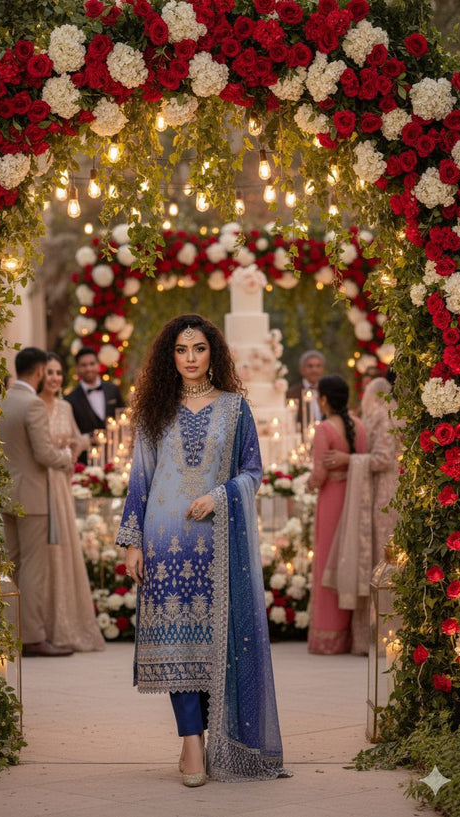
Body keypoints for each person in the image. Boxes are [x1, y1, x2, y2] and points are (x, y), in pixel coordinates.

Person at [117, 314, 290, 787]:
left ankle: (208, 737)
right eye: (181, 350)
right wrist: (132, 542)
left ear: (213, 352)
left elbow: (253, 472)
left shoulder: (235, 408)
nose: (190, 358)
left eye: (198, 348)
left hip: (217, 543)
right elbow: (140, 479)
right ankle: (192, 740)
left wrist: (220, 496)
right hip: (164, 541)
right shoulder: (154, 409)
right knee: (176, 642)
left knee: (217, 646)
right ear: (169, 357)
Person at [0, 347, 73, 657]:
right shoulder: (33, 404)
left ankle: (8, 633)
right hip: (33, 498)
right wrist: (65, 457)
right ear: (40, 371)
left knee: (10, 564)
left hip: (4, 495)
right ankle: (31, 637)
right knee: (33, 569)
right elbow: (44, 454)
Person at [321, 376, 402, 654]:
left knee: (380, 559)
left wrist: (348, 460)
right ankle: (383, 636)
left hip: (384, 495)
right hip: (386, 491)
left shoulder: (383, 416)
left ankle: (382, 637)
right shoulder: (393, 415)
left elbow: (383, 459)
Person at [38, 353, 106, 652]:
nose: (54, 378)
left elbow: (80, 439)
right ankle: (40, 626)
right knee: (43, 552)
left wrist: (71, 452)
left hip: (62, 482)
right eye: (49, 372)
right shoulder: (34, 406)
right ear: (39, 375)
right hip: (40, 482)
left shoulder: (65, 407)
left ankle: (65, 624)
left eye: (58, 373)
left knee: (64, 549)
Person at [307, 374, 366, 655]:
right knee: (349, 559)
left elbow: (319, 474)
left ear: (323, 400)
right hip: (355, 498)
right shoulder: (359, 425)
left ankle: (329, 636)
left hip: (331, 497)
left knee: (327, 563)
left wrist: (310, 483)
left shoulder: (324, 429)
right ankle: (353, 633)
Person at [64, 347, 125, 463]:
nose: (88, 368)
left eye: (92, 364)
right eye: (84, 365)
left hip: (114, 457)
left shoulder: (113, 390)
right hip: (85, 462)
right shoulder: (69, 400)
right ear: (77, 369)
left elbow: (122, 418)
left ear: (98, 365)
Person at [286, 350, 325, 423]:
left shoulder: (328, 391)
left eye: (318, 366)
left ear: (322, 369)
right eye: (310, 366)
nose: (314, 370)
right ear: (302, 369)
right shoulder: (291, 394)